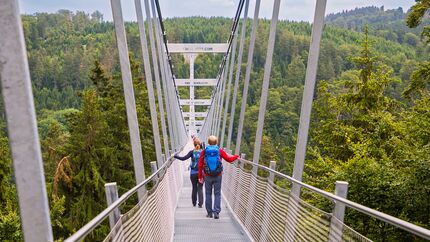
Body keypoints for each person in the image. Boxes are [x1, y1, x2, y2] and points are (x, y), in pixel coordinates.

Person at [198, 135, 239, 219]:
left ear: (208, 142)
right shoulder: (219, 151)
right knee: (217, 194)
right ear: (216, 142)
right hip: (218, 175)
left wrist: (200, 176)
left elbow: (200, 165)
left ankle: (209, 213)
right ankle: (216, 212)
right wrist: (237, 156)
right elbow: (229, 159)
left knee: (208, 193)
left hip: (207, 175)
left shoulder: (204, 152)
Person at [174, 138, 203, 208]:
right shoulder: (203, 152)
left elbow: (183, 158)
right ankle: (200, 204)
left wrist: (175, 156)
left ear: (194, 144)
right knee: (200, 188)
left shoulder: (191, 152)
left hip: (193, 173)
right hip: (201, 173)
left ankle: (194, 203)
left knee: (194, 188)